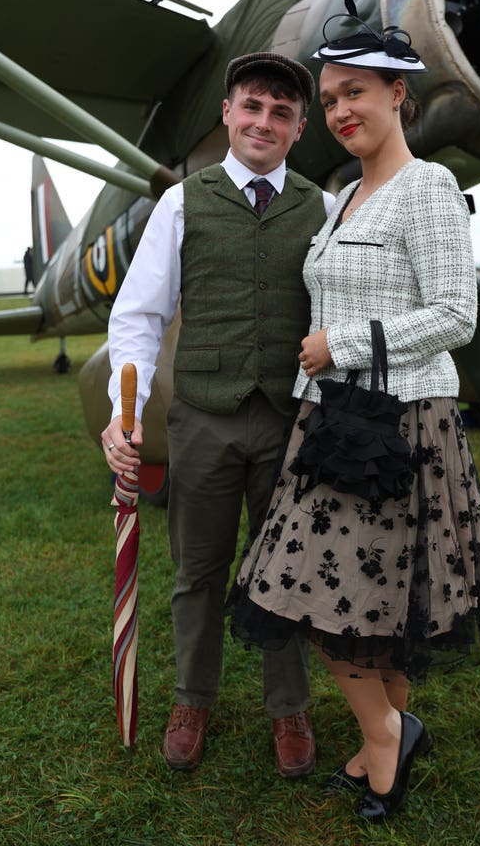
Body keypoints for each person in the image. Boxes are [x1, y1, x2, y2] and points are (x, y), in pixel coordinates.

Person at [230, 4, 480, 822]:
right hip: (331, 424)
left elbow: (456, 314)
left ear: (400, 94)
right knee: (369, 603)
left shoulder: (426, 188)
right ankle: (387, 733)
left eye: (355, 92)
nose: (339, 112)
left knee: (318, 599)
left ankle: (386, 737)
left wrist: (343, 343)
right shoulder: (345, 194)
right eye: (328, 100)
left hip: (396, 428)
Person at [101, 52, 336, 777]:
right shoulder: (182, 202)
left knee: (285, 569)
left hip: (289, 419)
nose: (264, 121)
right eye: (252, 107)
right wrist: (124, 412)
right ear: (228, 115)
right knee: (198, 570)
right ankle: (192, 697)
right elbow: (139, 315)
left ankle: (287, 705)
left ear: (299, 130)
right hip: (203, 416)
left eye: (281, 112)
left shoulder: (320, 209)